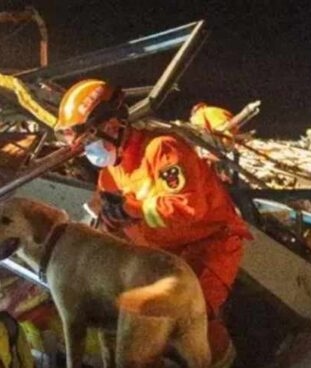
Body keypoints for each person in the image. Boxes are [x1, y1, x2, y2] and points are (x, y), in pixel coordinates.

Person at [55, 79, 253, 368]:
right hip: (162, 259)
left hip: (209, 247)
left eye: (89, 140)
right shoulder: (110, 175)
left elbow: (186, 206)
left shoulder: (162, 150)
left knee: (193, 316)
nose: (88, 150)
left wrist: (131, 209)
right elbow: (108, 225)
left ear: (112, 125)